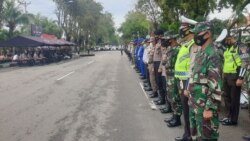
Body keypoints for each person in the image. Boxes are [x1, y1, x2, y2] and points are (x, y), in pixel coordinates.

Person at [187, 21, 223, 141]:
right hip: (195, 104)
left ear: (207, 34)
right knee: (195, 136)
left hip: (204, 108)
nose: (195, 36)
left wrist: (209, 108)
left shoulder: (214, 54)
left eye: (198, 33)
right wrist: (189, 88)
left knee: (206, 137)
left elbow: (216, 85)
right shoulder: (200, 52)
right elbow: (195, 75)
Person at [173, 16, 197, 141]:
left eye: (183, 29)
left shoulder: (193, 45)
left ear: (190, 30)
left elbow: (193, 67)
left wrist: (187, 85)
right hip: (181, 81)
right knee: (185, 109)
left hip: (187, 82)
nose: (181, 31)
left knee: (188, 111)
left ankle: (189, 136)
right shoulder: (185, 44)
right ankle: (187, 134)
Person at [220, 34, 244, 126]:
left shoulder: (240, 46)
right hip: (226, 75)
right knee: (227, 97)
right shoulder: (228, 48)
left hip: (235, 75)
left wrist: (240, 77)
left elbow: (244, 62)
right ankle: (228, 116)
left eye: (226, 40)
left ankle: (233, 120)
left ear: (231, 38)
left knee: (234, 98)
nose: (225, 42)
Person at [160, 32, 180, 115]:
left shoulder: (177, 49)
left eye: (167, 39)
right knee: (170, 95)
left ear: (172, 40)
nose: (165, 41)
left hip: (174, 76)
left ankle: (177, 117)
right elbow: (165, 62)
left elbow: (174, 64)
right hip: (169, 75)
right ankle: (172, 112)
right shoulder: (170, 49)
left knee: (175, 97)